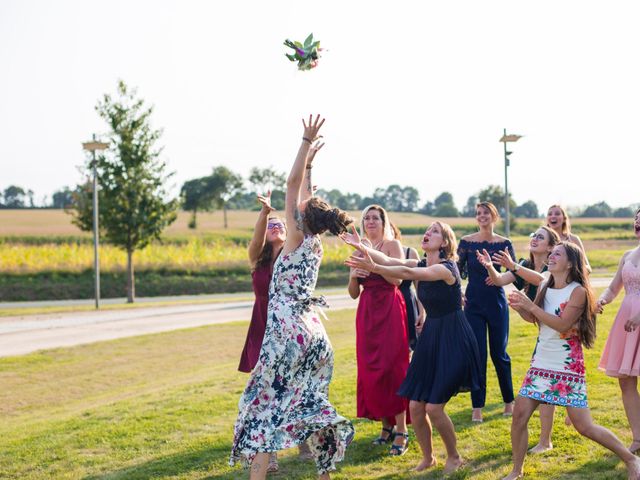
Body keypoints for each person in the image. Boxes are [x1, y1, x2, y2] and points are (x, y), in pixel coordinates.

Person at [230, 115, 354, 480]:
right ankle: (325, 473)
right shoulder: (313, 242)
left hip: (287, 329)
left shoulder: (296, 235)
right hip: (314, 333)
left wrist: (303, 141)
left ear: (301, 217)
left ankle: (259, 474)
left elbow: (292, 184)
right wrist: (312, 163)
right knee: (309, 401)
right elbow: (305, 191)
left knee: (262, 402)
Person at [342, 221, 482, 474]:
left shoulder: (446, 268)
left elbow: (408, 275)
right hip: (430, 338)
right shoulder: (421, 262)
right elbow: (389, 259)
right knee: (415, 406)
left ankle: (454, 457)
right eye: (427, 230)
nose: (427, 233)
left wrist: (371, 266)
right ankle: (428, 458)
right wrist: (362, 247)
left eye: (435, 231)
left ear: (446, 242)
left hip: (453, 337)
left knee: (434, 407)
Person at [504, 242, 640, 480]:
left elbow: (562, 325)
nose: (551, 255)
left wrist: (529, 307)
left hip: (566, 366)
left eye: (558, 253)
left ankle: (631, 459)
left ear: (570, 263)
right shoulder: (546, 284)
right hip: (541, 362)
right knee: (519, 416)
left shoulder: (578, 291)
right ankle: (516, 472)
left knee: (584, 426)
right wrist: (519, 308)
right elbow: (535, 319)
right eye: (552, 252)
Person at [477, 226, 561, 453]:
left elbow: (541, 279)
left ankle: (546, 440)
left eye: (540, 237)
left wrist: (513, 266)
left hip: (561, 331)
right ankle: (547, 439)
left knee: (550, 387)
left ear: (551, 247)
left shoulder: (554, 267)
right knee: (548, 386)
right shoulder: (523, 265)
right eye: (533, 235)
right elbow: (500, 281)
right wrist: (490, 267)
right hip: (545, 332)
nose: (534, 238)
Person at [347, 205, 411, 455]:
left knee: (392, 367)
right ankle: (385, 427)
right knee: (370, 368)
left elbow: (397, 280)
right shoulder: (359, 244)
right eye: (367, 218)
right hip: (366, 311)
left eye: (375, 218)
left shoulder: (391, 245)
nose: (371, 221)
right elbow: (353, 293)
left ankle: (402, 429)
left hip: (389, 308)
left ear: (384, 222)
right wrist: (353, 276)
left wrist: (372, 265)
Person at [457, 201, 515, 422]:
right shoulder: (467, 243)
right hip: (473, 304)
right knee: (478, 355)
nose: (482, 216)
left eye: (486, 213)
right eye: (478, 213)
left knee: (499, 354)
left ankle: (509, 401)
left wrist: (499, 277)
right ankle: (477, 407)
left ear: (494, 216)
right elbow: (457, 271)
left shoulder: (504, 242)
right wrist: (458, 293)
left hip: (497, 303)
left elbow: (515, 271)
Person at [598, 207, 640, 455]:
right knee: (626, 382)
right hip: (626, 321)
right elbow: (614, 288)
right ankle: (637, 438)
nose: (638, 222)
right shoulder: (627, 255)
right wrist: (601, 300)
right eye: (636, 219)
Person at [391, 222, 424, 349]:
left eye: (390, 231)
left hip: (408, 302)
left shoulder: (410, 252)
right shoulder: (377, 254)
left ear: (395, 232)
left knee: (411, 342)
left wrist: (422, 311)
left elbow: (419, 286)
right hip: (388, 303)